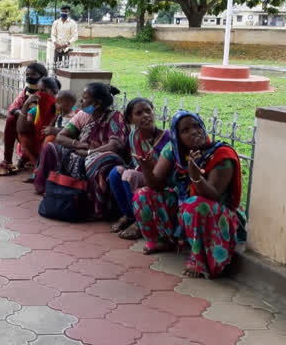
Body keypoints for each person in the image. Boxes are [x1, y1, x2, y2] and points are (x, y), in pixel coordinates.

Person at [132, 111, 246, 278]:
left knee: (194, 205)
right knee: (143, 195)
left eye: (196, 126)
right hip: (184, 207)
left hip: (217, 214)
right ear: (177, 136)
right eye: (185, 130)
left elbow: (213, 194)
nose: (194, 131)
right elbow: (155, 183)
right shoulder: (173, 149)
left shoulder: (221, 154)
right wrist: (147, 169)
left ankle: (200, 259)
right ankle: (160, 241)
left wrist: (195, 176)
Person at [34, 83, 128, 220]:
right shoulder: (83, 115)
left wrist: (90, 152)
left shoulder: (115, 117)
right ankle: (50, 189)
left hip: (102, 156)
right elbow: (61, 137)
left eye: (84, 99)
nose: (81, 102)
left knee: (99, 161)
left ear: (96, 104)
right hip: (80, 151)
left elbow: (114, 145)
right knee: (51, 147)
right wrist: (77, 144)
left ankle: (96, 208)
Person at [108, 98, 170, 240]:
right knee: (115, 173)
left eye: (148, 111)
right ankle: (129, 215)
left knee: (129, 176)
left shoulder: (167, 138)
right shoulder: (134, 136)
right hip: (144, 175)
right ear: (130, 118)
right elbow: (139, 164)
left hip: (161, 181)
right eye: (139, 113)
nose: (145, 116)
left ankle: (140, 222)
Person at [0, 62, 48, 176]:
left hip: (42, 134)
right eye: (27, 75)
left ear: (43, 76)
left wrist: (26, 114)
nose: (29, 78)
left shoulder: (48, 92)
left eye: (33, 75)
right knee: (11, 119)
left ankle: (25, 159)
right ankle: (7, 161)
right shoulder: (27, 91)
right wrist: (23, 113)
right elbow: (12, 107)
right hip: (27, 130)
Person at [23, 90, 78, 184]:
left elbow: (69, 132)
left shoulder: (72, 117)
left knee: (48, 143)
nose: (56, 105)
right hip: (52, 139)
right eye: (56, 102)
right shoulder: (59, 114)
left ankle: (41, 176)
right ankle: (37, 174)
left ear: (69, 104)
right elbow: (52, 124)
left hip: (62, 141)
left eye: (59, 103)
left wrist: (54, 131)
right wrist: (48, 128)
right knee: (44, 148)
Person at [16, 77, 59, 169]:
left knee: (50, 138)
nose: (39, 94)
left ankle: (41, 167)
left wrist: (55, 130)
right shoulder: (36, 110)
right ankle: (37, 165)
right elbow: (21, 129)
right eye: (38, 91)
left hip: (56, 147)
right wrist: (26, 105)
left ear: (55, 92)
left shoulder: (64, 109)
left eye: (43, 91)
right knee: (23, 136)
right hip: (38, 144)